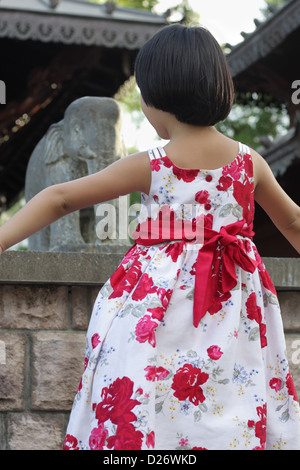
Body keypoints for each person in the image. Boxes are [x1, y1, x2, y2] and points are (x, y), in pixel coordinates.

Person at [0, 24, 300, 451]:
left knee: (145, 395)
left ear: (157, 96)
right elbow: (292, 223)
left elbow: (61, 197)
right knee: (234, 390)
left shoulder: (153, 163)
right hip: (234, 304)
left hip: (158, 302)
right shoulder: (250, 164)